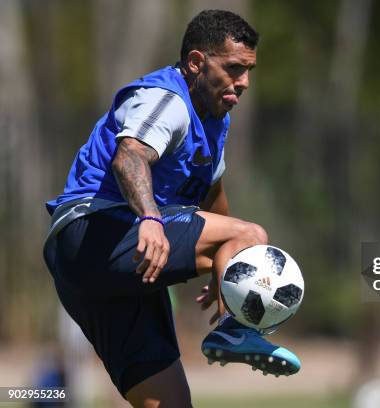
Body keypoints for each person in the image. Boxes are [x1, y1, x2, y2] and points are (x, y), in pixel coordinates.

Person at [42, 10, 300, 407]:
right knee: (252, 235)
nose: (244, 82)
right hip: (93, 231)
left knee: (171, 403)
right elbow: (129, 158)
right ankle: (233, 330)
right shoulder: (167, 99)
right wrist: (149, 218)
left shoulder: (214, 119)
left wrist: (227, 267)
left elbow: (214, 194)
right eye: (233, 68)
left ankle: (231, 327)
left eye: (248, 71)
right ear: (196, 62)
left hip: (103, 277)